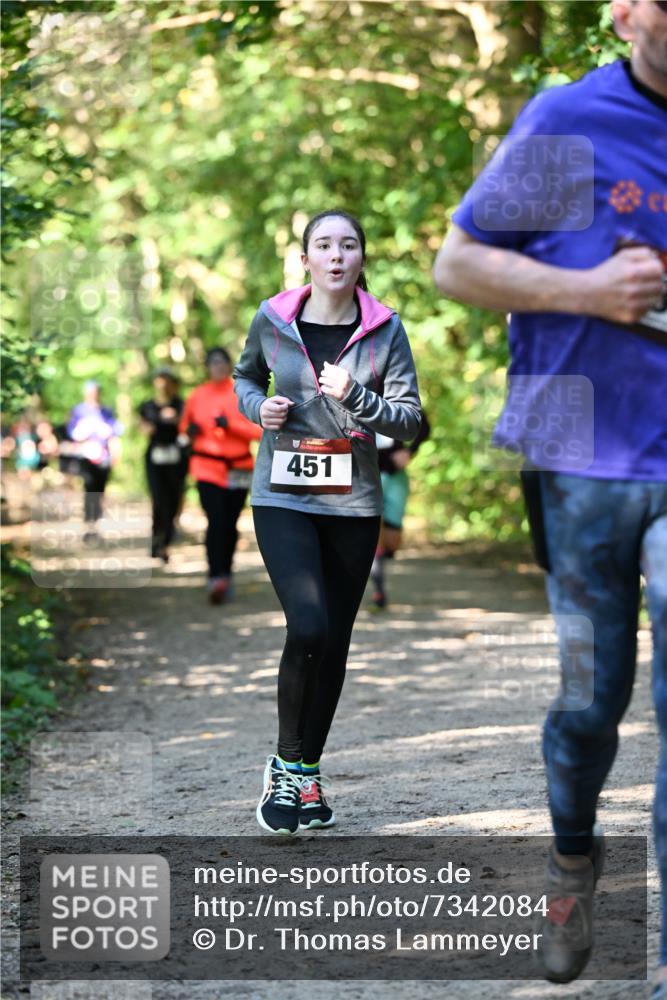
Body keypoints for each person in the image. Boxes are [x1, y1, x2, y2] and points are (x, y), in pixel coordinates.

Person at [433, 0, 667, 993]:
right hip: (579, 450)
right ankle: (572, 853)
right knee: (590, 701)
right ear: (624, 13)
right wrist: (585, 292)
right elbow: (456, 264)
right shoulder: (570, 121)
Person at [234, 209, 422, 836]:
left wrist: (357, 398)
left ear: (361, 258)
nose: (337, 254)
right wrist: (261, 407)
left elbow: (409, 419)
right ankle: (285, 763)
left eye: (348, 244)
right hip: (282, 497)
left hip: (354, 504)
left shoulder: (386, 329)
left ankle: (307, 772)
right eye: (324, 244)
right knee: (308, 623)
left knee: (335, 640)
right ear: (307, 258)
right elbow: (243, 377)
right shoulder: (274, 318)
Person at [178, 348, 262, 604]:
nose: (218, 367)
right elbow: (183, 429)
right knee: (216, 520)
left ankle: (226, 572)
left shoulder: (241, 392)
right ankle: (215, 576)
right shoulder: (197, 395)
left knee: (230, 522)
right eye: (213, 363)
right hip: (206, 467)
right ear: (207, 367)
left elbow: (260, 431)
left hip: (238, 467)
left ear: (229, 365)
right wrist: (189, 431)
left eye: (222, 362)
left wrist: (232, 426)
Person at [369, 408, 431, 609]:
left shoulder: (396, 394)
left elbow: (424, 425)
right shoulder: (353, 391)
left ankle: (379, 564)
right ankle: (379, 592)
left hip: (395, 475)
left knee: (392, 541)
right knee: (372, 534)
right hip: (366, 475)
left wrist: (410, 451)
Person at [139, 368, 187, 564]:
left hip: (177, 457)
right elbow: (145, 428)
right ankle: (157, 541)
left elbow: (187, 425)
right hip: (155, 457)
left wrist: (172, 420)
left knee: (174, 499)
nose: (164, 385)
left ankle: (166, 539)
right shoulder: (148, 406)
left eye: (168, 380)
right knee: (159, 499)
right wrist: (163, 420)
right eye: (160, 380)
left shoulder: (182, 404)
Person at [67, 381, 122, 541]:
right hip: (85, 458)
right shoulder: (78, 411)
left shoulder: (107, 412)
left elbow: (114, 435)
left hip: (104, 458)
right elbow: (73, 435)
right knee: (89, 489)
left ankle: (95, 523)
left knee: (99, 491)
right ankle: (89, 525)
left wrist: (116, 455)